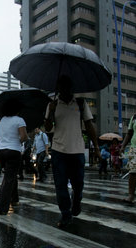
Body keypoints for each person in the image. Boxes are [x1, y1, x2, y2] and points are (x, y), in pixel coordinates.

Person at [44, 75, 101, 228]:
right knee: (60, 185)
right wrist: (51, 112)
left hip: (77, 150)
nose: (64, 90)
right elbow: (48, 128)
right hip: (58, 150)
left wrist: (96, 148)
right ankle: (65, 213)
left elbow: (89, 126)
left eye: (66, 86)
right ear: (58, 89)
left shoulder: (81, 103)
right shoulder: (52, 105)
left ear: (71, 88)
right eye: (61, 86)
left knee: (78, 184)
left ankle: (76, 201)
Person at [0, 98, 28, 215]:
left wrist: (5, 137)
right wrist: (17, 140)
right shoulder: (19, 120)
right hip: (13, 151)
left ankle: (15, 199)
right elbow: (24, 137)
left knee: (11, 176)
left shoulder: (0, 119)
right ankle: (1, 207)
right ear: (16, 109)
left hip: (1, 151)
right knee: (9, 179)